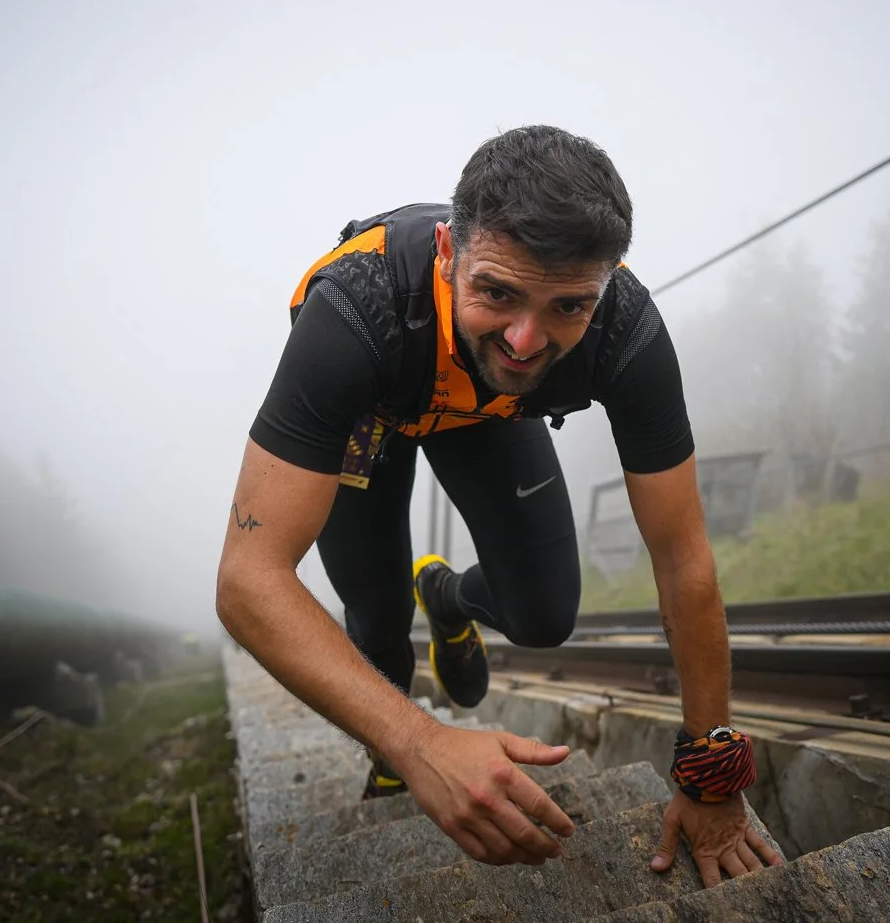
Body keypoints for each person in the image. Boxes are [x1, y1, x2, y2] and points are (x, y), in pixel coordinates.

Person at [216, 125, 783, 886]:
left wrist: (713, 776)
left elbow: (683, 558)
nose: (526, 338)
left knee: (546, 614)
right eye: (498, 292)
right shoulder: (355, 309)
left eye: (568, 307)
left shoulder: (624, 329)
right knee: (377, 624)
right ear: (448, 254)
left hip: (482, 412)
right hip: (374, 404)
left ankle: (447, 599)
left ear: (607, 284)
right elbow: (248, 579)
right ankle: (392, 741)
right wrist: (419, 745)